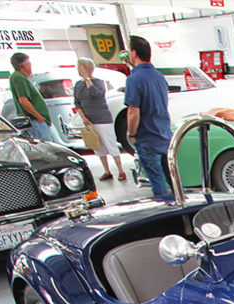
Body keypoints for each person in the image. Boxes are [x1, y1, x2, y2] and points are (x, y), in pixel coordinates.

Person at [123, 36, 173, 202]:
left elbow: (133, 113)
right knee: (173, 180)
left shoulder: (134, 79)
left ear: (134, 53)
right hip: (165, 136)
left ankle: (166, 215)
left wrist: (131, 134)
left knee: (157, 182)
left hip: (148, 138)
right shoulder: (159, 76)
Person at [73, 58, 125, 181]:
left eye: (80, 67)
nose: (78, 70)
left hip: (102, 119)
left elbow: (97, 94)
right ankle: (107, 171)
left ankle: (121, 170)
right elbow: (77, 102)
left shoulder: (98, 82)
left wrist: (88, 80)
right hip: (89, 120)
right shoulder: (78, 85)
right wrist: (83, 117)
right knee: (97, 147)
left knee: (110, 144)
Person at [9, 52, 54, 143]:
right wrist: (38, 116)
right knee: (45, 147)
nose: (30, 65)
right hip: (34, 121)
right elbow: (23, 100)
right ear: (23, 65)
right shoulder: (18, 77)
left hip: (35, 120)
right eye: (28, 63)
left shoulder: (20, 77)